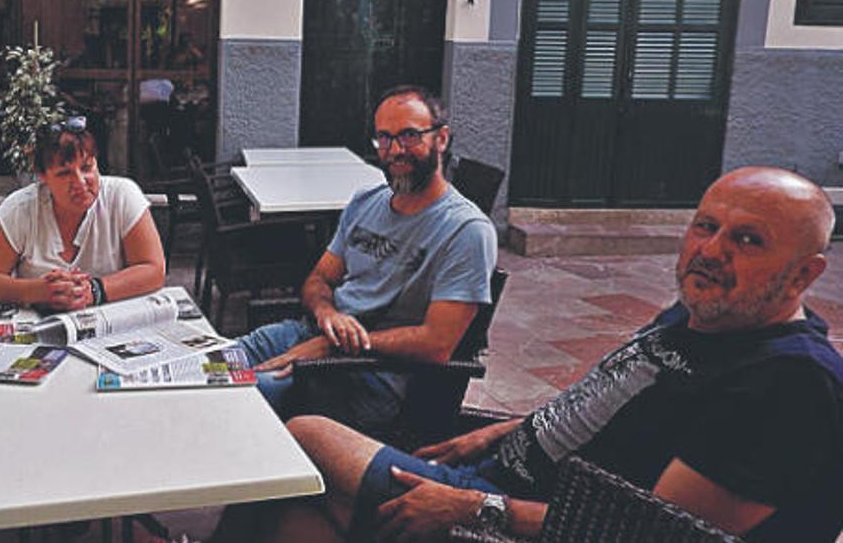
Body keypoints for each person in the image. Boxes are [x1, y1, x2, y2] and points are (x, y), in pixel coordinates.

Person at [259, 167, 843, 542]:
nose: (710, 251)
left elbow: (658, 533)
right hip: (499, 476)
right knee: (292, 502)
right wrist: (504, 430)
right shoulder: (709, 319)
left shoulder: (787, 383)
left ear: (805, 273)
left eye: (747, 239)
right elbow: (621, 406)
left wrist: (473, 507)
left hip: (517, 517)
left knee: (302, 442)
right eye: (705, 226)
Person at [237, 85, 497, 421]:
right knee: (206, 369)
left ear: (441, 139)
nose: (395, 150)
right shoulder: (365, 201)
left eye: (409, 136)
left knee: (243, 398)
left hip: (368, 374)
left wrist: (337, 345)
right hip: (308, 335)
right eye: (385, 138)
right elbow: (319, 278)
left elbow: (438, 343)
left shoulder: (466, 230)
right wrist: (327, 314)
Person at [0, 115, 166, 312]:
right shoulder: (20, 209)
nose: (80, 182)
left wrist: (94, 291)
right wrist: (38, 291)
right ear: (43, 176)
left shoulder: (122, 195)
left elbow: (153, 270)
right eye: (64, 173)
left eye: (87, 167)